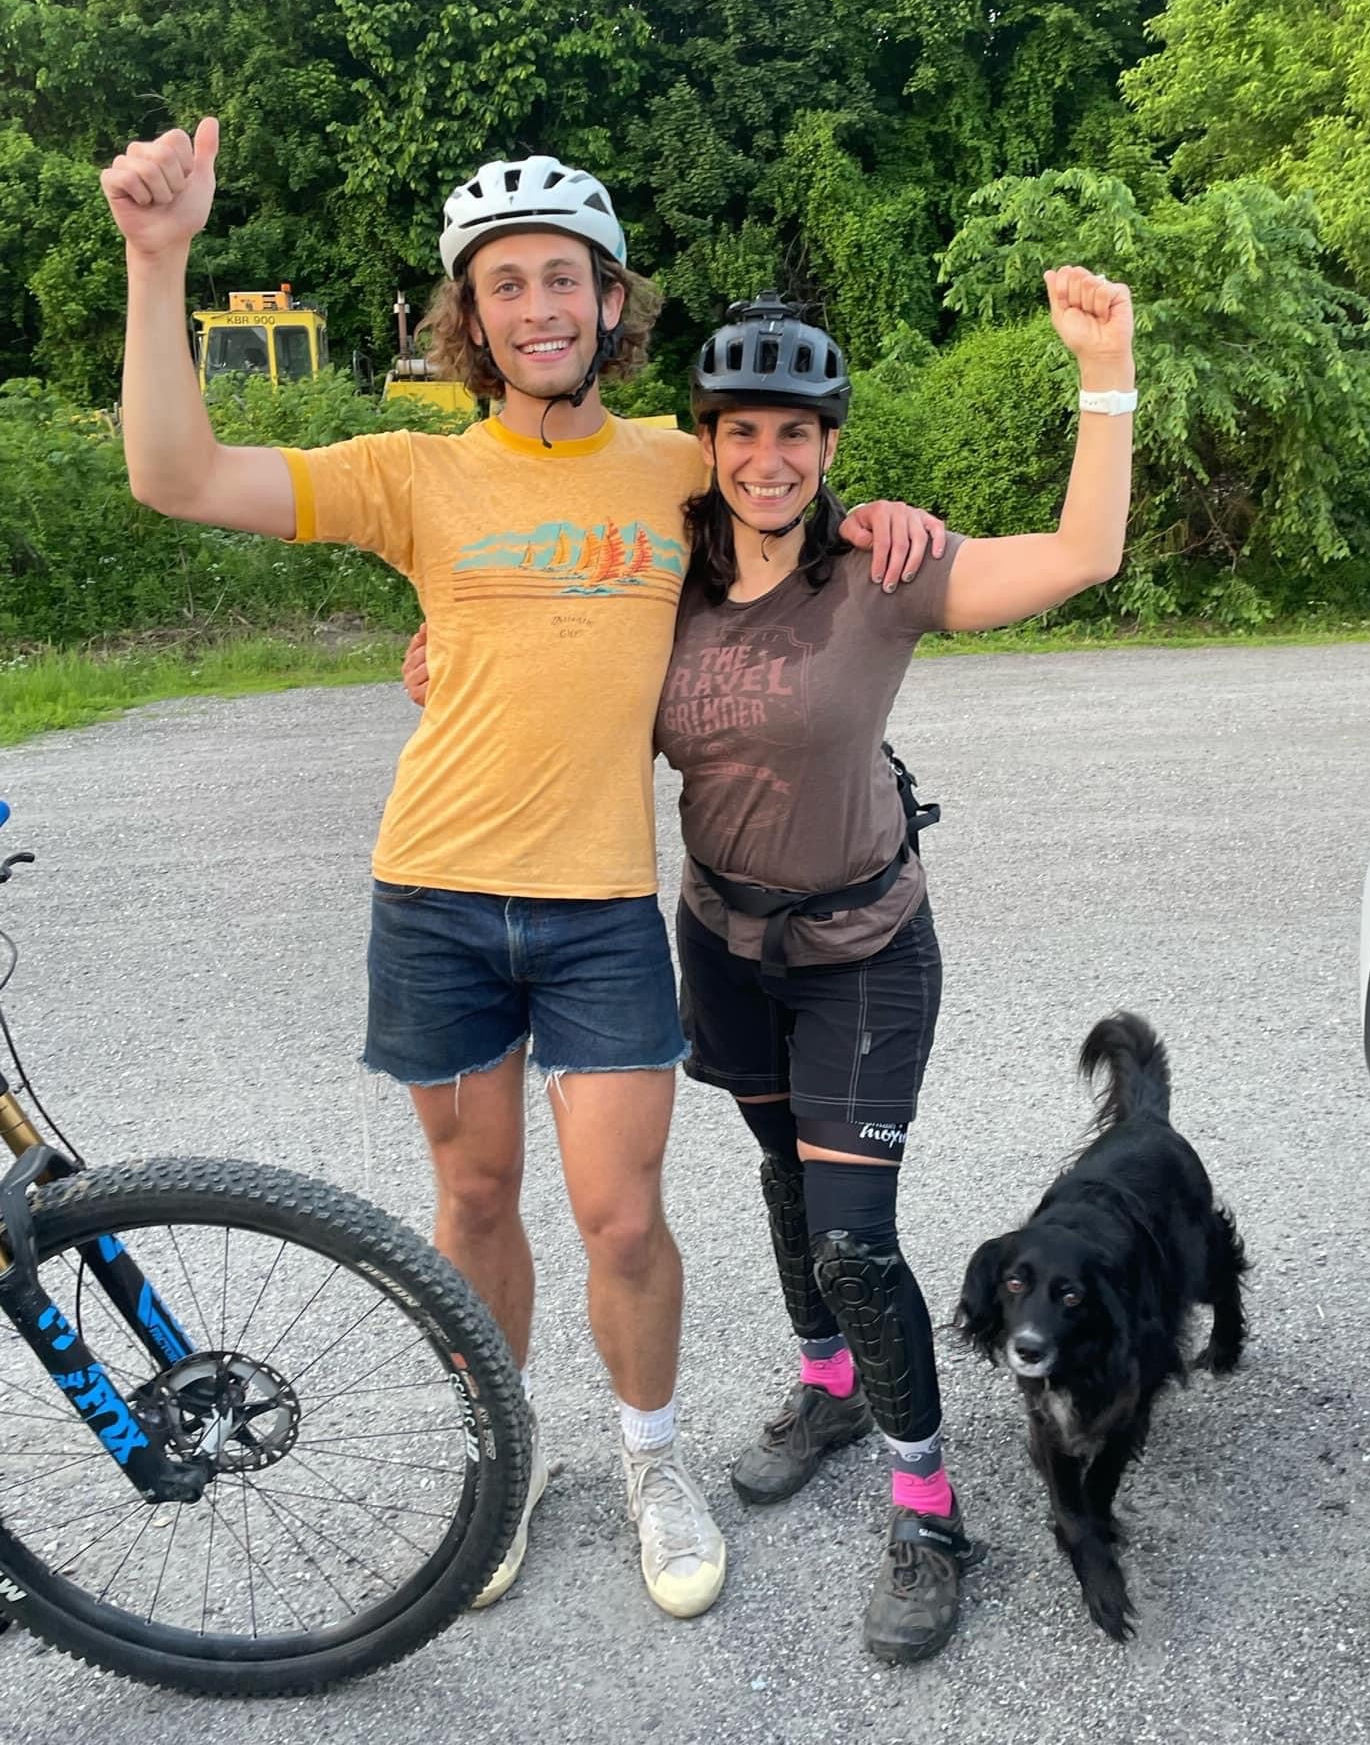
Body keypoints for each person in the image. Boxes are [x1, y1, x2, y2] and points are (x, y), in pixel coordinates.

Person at [99, 122, 941, 1622]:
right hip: (430, 891)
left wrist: (884, 519)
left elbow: (795, 506)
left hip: (601, 903)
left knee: (622, 1216)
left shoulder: (685, 466)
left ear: (612, 303)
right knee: (473, 1201)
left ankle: (649, 1458)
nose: (541, 305)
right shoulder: (413, 470)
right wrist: (156, 261)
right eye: (507, 285)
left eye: (566, 277)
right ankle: (501, 1460)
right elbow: (175, 472)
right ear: (469, 318)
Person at [654, 277, 1135, 1664]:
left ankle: (927, 1510)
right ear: (703, 438)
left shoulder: (880, 568)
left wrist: (1104, 371)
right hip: (723, 943)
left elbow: (1080, 554)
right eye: (740, 431)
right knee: (783, 1181)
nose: (767, 459)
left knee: (854, 1236)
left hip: (861, 948)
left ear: (829, 444)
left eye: (795, 434)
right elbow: (546, 657)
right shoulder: (658, 581)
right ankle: (827, 1391)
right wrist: (455, 650)